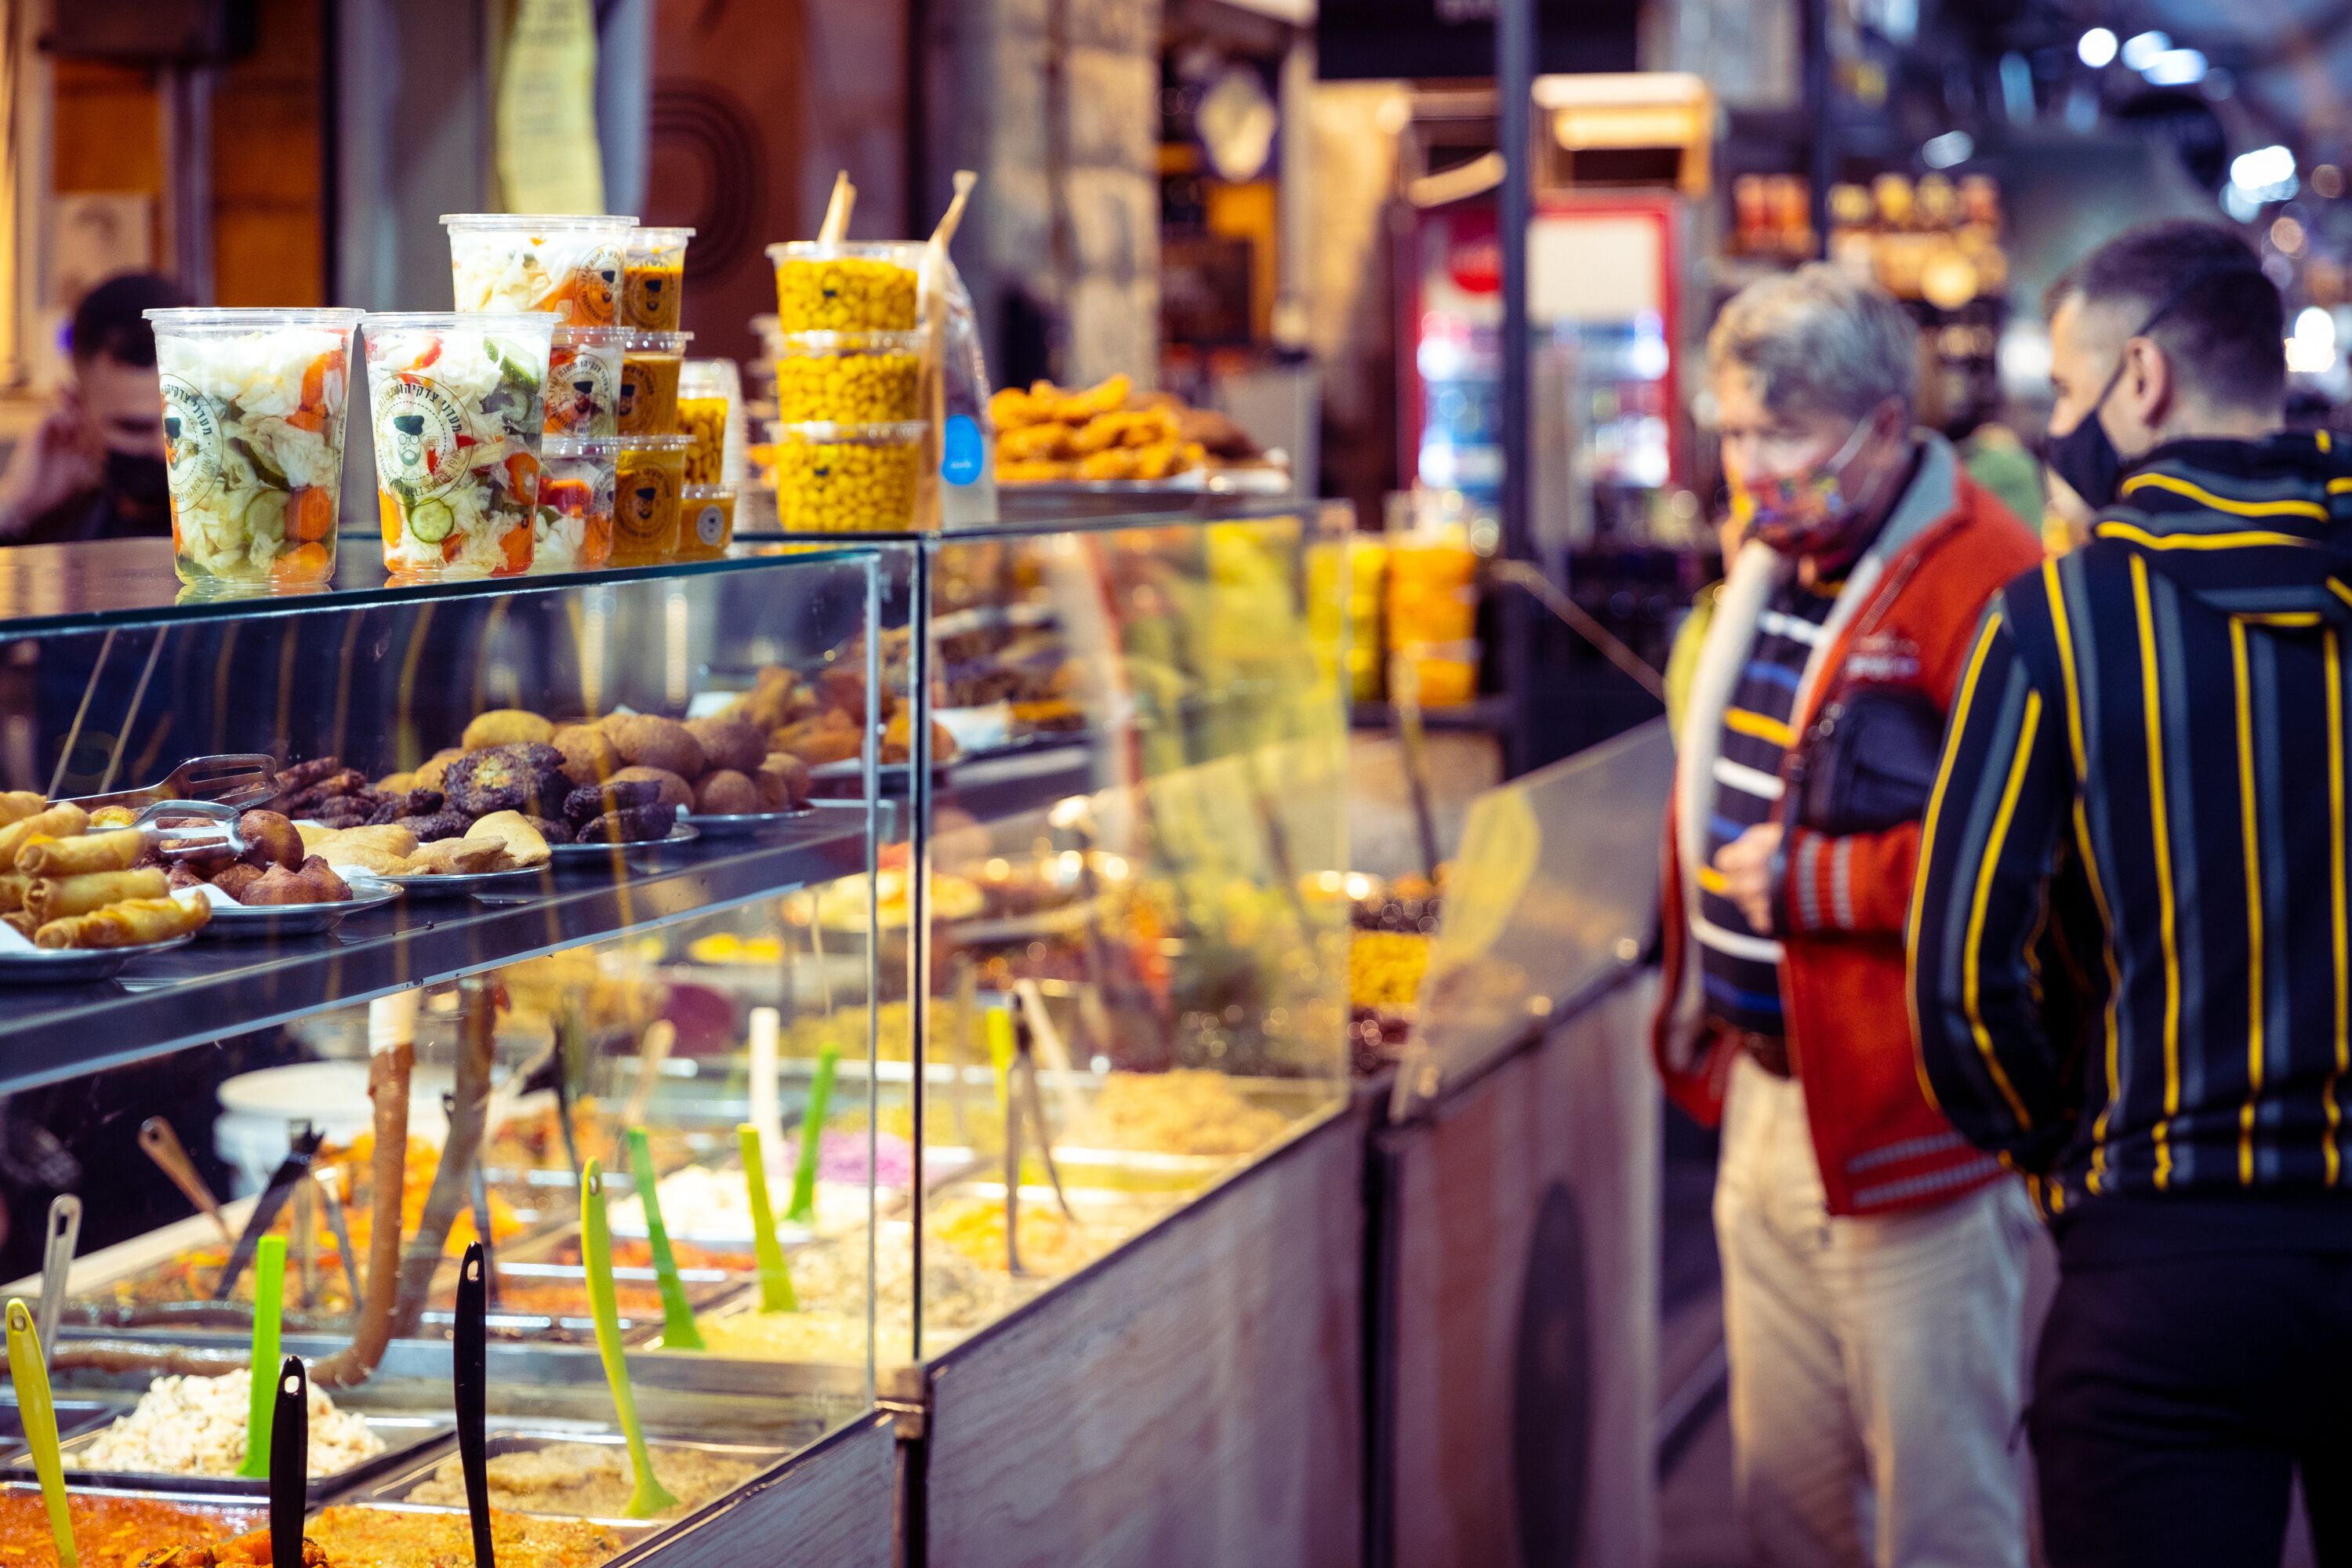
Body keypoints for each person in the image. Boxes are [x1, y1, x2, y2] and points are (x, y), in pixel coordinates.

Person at [1912, 219, 2352, 1567]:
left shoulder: (2060, 623)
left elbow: (1961, 984)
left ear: (2142, 383)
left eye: (2066, 391)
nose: (2060, 425)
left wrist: (2065, 1155)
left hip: (2161, 1261)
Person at [1653, 263, 2044, 1566]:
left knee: (1940, 1520)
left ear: (1885, 427)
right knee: (1788, 1508)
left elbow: (2037, 855)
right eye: (1734, 430)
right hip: (1770, 1100)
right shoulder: (1780, 554)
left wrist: (1820, 885)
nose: (1751, 465)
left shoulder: (1983, 574)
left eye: (1783, 436)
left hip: (1909, 1128)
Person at [0, 271, 191, 544]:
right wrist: (15, 506)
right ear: (76, 408)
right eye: (134, 428)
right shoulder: (48, 529)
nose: (166, 452)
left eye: (182, 425)